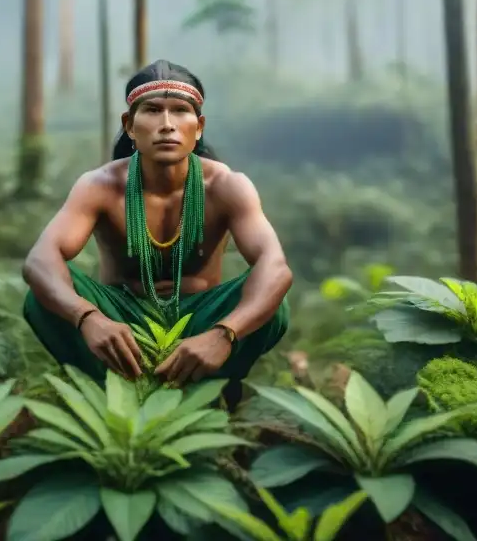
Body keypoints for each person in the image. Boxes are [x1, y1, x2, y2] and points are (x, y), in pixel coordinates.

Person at [22, 60, 292, 404]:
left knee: (273, 300)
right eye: (152, 110)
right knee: (43, 295)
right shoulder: (100, 185)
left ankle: (212, 388)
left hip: (200, 322)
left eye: (180, 111)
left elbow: (276, 266)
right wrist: (87, 317)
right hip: (122, 325)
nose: (167, 125)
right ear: (130, 126)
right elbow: (40, 260)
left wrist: (225, 334)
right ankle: (113, 388)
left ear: (198, 127)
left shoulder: (226, 185)